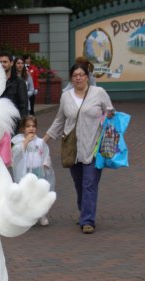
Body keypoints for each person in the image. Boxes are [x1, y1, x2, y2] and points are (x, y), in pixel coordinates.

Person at [44, 63, 114, 234]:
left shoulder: (99, 93)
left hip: (93, 146)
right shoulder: (66, 97)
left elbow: (110, 112)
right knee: (79, 184)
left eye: (82, 74)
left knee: (89, 183)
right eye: (75, 75)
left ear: (87, 76)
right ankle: (84, 211)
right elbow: (60, 120)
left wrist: (110, 114)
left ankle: (88, 220)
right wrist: (44, 139)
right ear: (71, 78)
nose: (78, 77)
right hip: (72, 148)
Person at [12, 115, 55, 227]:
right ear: (23, 129)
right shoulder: (19, 142)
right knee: (26, 193)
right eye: (28, 126)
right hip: (25, 172)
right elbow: (16, 154)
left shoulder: (40, 142)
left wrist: (46, 164)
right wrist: (25, 142)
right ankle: (26, 215)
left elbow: (46, 153)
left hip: (38, 171)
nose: (31, 128)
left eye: (33, 126)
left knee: (39, 192)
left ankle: (41, 214)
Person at [0, 52, 28, 132]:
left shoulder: (19, 82)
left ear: (11, 63)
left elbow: (24, 107)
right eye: (0, 62)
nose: (2, 64)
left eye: (5, 62)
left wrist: (21, 128)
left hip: (14, 125)